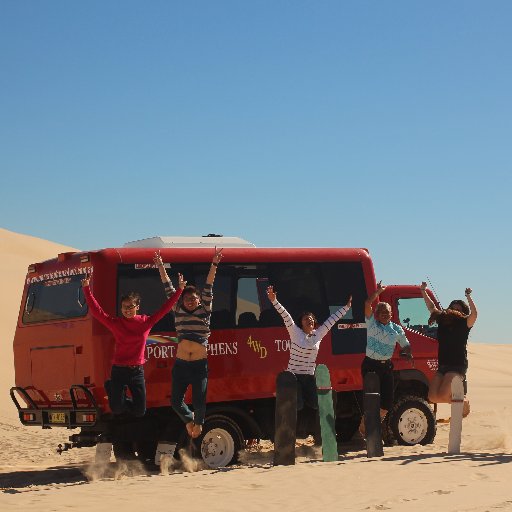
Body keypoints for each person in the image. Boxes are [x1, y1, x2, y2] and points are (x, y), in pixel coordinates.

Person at [81, 272, 184, 419]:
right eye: (124, 307)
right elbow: (97, 313)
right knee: (116, 408)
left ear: (137, 306)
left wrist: (179, 289)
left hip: (136, 372)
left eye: (130, 306)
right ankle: (113, 389)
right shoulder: (116, 323)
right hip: (119, 370)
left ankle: (116, 393)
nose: (127, 310)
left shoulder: (146, 322)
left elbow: (165, 308)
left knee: (139, 411)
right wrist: (86, 288)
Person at [154, 248, 223, 439]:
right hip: (182, 364)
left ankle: (199, 423)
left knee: (200, 401)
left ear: (199, 300)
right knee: (175, 401)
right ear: (182, 299)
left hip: (199, 364)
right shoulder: (177, 309)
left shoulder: (205, 311)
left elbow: (209, 284)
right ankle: (190, 419)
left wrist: (214, 264)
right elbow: (167, 286)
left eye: (193, 298)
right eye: (187, 298)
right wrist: (160, 265)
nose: (190, 301)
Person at [266, 285, 352, 412]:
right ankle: (284, 391)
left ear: (314, 323)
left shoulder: (318, 334)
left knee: (316, 404)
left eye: (311, 319)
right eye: (306, 319)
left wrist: (346, 307)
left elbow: (332, 320)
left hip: (309, 377)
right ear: (301, 323)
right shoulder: (295, 332)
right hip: (294, 376)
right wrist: (274, 301)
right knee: (298, 406)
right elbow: (285, 316)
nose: (309, 320)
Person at [361, 281, 413, 434]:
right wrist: (377, 292)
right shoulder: (371, 324)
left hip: (386, 367)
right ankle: (365, 425)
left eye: (387, 312)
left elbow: (405, 344)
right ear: (376, 314)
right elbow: (367, 302)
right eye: (381, 311)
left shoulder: (396, 329)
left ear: (391, 314)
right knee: (371, 399)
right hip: (370, 365)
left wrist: (407, 352)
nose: (384, 314)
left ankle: (373, 423)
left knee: (387, 403)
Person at [420, 282, 477, 417]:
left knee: (443, 394)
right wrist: (423, 290)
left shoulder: (465, 324)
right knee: (433, 397)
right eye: (452, 308)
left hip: (457, 366)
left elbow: (474, 314)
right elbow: (431, 307)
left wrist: (468, 296)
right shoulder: (442, 320)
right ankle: (459, 401)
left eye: (458, 309)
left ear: (463, 312)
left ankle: (463, 401)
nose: (455, 310)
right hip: (443, 365)